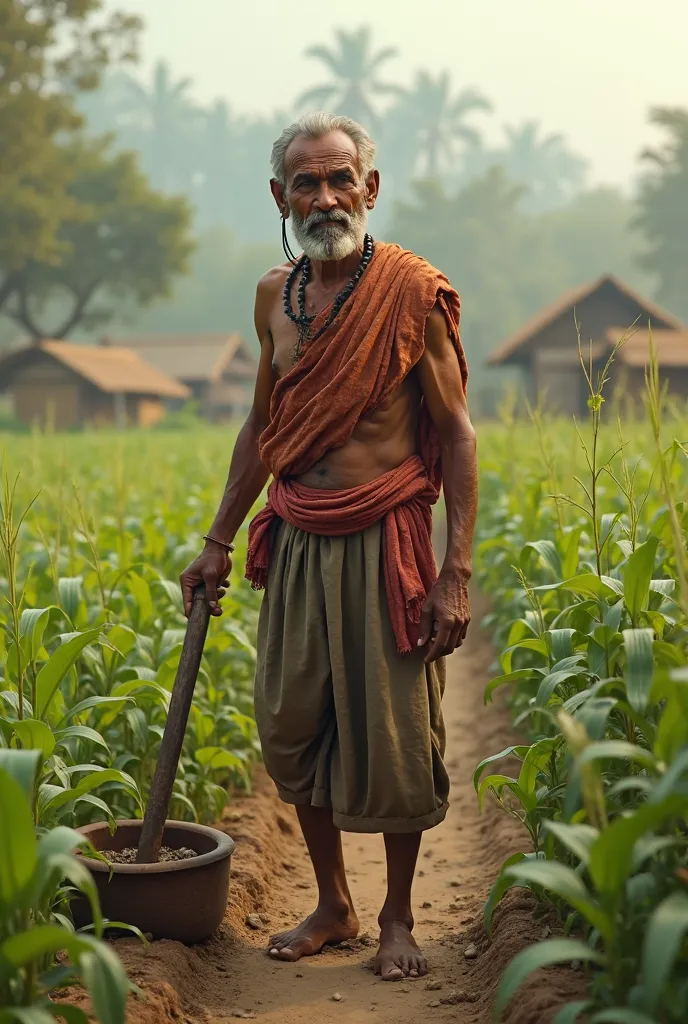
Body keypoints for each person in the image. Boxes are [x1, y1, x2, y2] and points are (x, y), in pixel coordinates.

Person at [180, 112, 477, 982]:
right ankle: (334, 900)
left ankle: (394, 915)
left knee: (393, 737)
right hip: (300, 540)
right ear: (280, 197)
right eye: (304, 183)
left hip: (387, 540)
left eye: (340, 178)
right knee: (291, 725)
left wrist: (454, 571)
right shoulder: (276, 296)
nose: (324, 196)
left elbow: (456, 434)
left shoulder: (413, 292)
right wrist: (216, 540)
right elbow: (263, 424)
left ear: (370, 189)